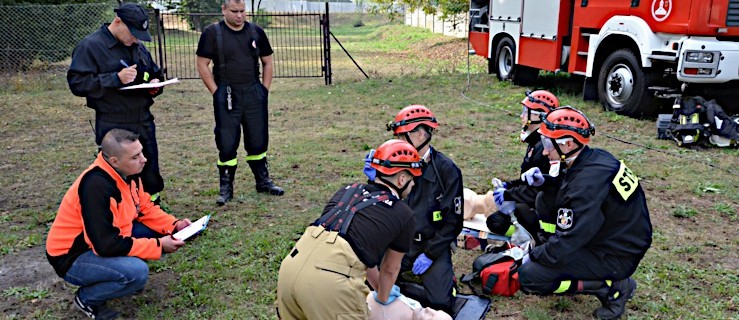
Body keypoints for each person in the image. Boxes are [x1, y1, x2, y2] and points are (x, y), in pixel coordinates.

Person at [516, 107, 653, 320]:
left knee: (530, 276)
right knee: (545, 198)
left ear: (568, 143)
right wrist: (548, 181)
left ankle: (613, 287)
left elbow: (570, 237)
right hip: (612, 237)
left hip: (616, 255)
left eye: (547, 144)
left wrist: (534, 254)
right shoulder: (593, 159)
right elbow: (570, 188)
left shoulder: (587, 184)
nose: (544, 152)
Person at [46, 129, 193, 320]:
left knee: (154, 231)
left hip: (105, 240)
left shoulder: (128, 172)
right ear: (114, 160)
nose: (144, 159)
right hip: (72, 256)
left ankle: (119, 276)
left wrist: (175, 225)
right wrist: (158, 246)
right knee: (137, 272)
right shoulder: (95, 187)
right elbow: (105, 245)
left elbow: (145, 208)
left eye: (141, 152)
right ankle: (87, 298)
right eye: (135, 156)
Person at [276, 140, 423, 319]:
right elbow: (390, 269)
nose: (414, 184)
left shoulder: (348, 190)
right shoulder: (404, 214)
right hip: (329, 284)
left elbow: (354, 247)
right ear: (402, 179)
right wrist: (383, 297)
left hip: (290, 268)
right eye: (412, 178)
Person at [67, 3, 167, 204]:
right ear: (118, 21)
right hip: (114, 121)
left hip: (143, 118)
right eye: (133, 33)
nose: (136, 39)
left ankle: (152, 207)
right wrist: (115, 79)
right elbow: (77, 84)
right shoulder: (90, 47)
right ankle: (122, 212)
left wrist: (155, 84)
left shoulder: (137, 47)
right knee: (119, 172)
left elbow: (154, 72)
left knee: (148, 168)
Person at [196, 0, 283, 206]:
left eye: (243, 11)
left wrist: (264, 89)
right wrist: (216, 92)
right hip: (226, 91)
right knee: (227, 141)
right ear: (223, 10)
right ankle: (226, 187)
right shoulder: (212, 33)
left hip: (253, 91)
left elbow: (268, 61)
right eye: (234, 11)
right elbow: (202, 64)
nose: (239, 16)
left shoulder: (256, 31)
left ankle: (263, 181)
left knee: (258, 138)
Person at [388, 105, 463, 314]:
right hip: (399, 244)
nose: (398, 142)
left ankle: (443, 282)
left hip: (432, 245)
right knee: (371, 285)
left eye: (402, 137)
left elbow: (453, 222)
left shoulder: (447, 171)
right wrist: (375, 178)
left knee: (440, 303)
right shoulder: (394, 163)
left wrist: (430, 254)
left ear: (421, 135)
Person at [487, 90, 559, 241]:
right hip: (533, 201)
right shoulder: (535, 142)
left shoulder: (543, 148)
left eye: (526, 112)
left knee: (497, 222)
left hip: (543, 209)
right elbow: (528, 179)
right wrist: (508, 185)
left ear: (540, 117)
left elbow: (539, 191)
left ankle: (529, 236)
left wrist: (509, 194)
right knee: (495, 220)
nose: (521, 116)